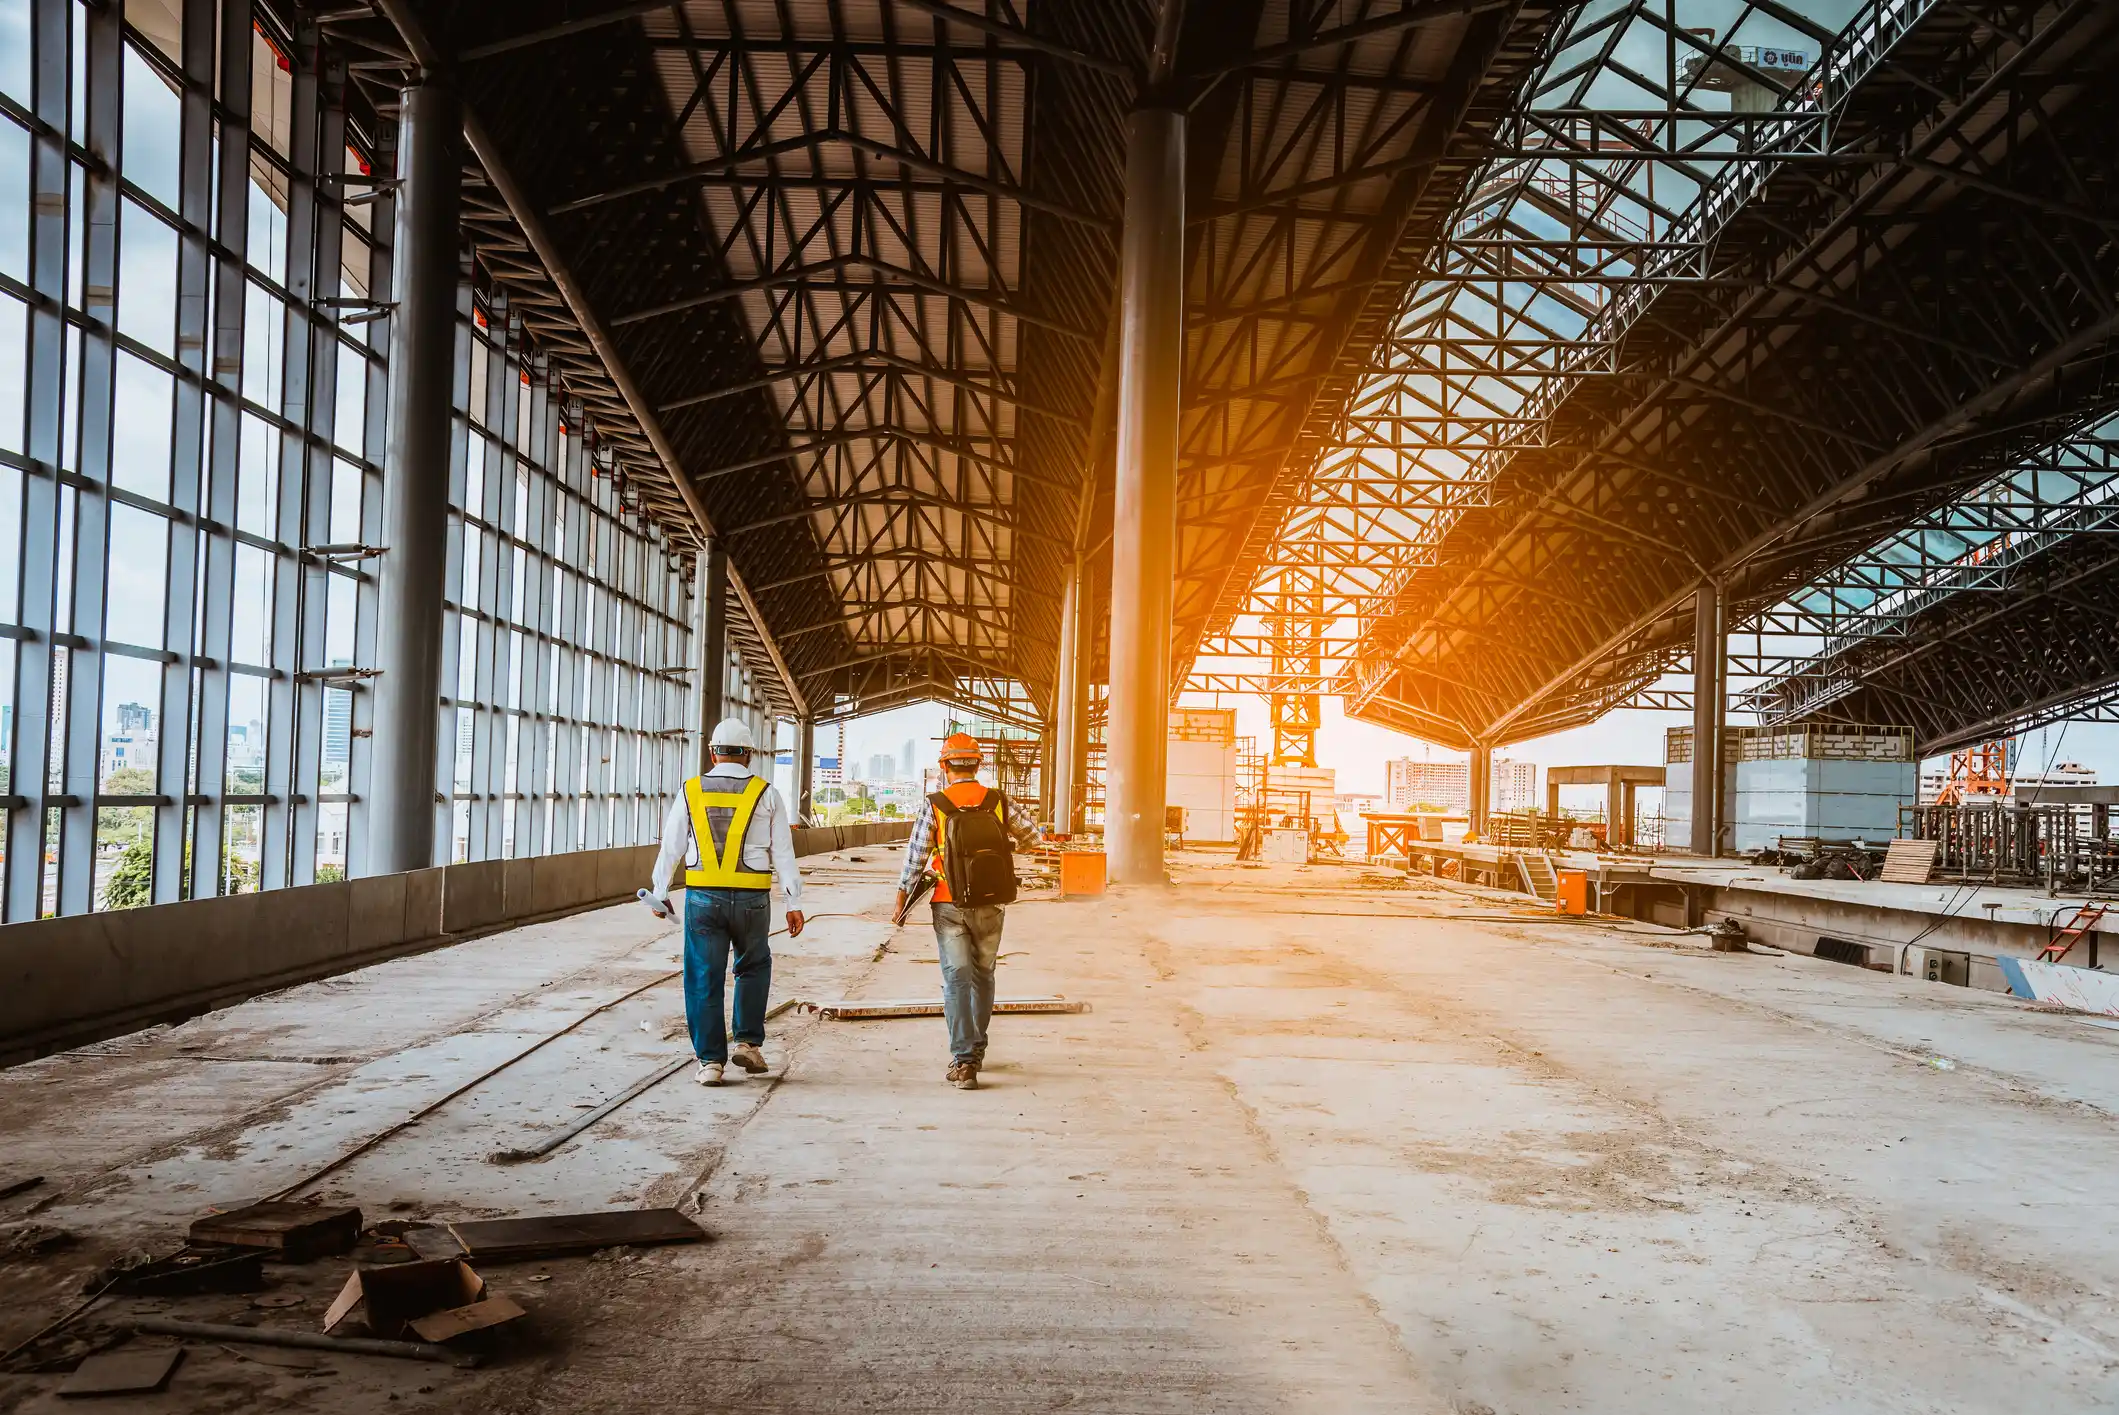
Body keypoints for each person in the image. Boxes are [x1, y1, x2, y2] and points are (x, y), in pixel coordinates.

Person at [651, 718, 806, 1086]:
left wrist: (660, 894)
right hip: (752, 899)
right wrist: (793, 901)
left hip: (703, 897)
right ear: (749, 754)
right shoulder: (766, 792)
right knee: (752, 968)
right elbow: (782, 851)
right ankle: (749, 1043)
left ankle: (710, 1063)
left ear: (712, 753)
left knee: (704, 977)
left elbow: (671, 845)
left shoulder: (691, 790)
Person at [892, 733, 1041, 1090]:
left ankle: (963, 1060)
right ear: (978, 764)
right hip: (990, 901)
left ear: (944, 766)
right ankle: (978, 1047)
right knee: (983, 975)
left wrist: (900, 899)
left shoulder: (936, 803)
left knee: (956, 978)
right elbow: (1034, 838)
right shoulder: (997, 800)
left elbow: (915, 857)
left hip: (949, 902)